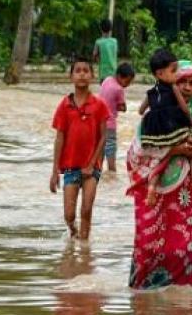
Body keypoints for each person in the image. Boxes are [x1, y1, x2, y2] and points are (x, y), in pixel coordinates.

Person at [126, 59, 192, 290]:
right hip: (157, 198)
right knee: (152, 247)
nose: (187, 87)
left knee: (191, 246)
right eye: (182, 81)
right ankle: (146, 304)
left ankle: (188, 307)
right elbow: (137, 153)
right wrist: (174, 150)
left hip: (189, 196)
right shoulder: (154, 116)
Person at [49, 57, 110, 240]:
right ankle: (74, 233)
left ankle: (84, 247)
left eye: (86, 70)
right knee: (69, 214)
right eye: (78, 71)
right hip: (70, 166)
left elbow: (104, 137)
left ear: (92, 75)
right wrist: (54, 171)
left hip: (92, 167)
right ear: (71, 77)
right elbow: (59, 138)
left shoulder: (99, 105)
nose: (82, 74)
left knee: (86, 208)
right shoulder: (65, 105)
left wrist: (92, 164)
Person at [138, 48, 192, 206]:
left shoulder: (151, 92)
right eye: (174, 71)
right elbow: (183, 108)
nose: (176, 75)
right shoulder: (174, 88)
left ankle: (151, 187)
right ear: (160, 74)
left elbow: (141, 110)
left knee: (159, 160)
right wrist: (190, 119)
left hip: (155, 133)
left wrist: (153, 115)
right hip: (173, 127)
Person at [98, 62, 135, 172]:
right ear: (119, 76)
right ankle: (112, 171)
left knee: (100, 148)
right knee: (110, 149)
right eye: (127, 81)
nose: (127, 85)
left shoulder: (107, 80)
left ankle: (98, 171)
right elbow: (123, 108)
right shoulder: (119, 89)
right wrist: (121, 106)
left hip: (98, 121)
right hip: (110, 124)